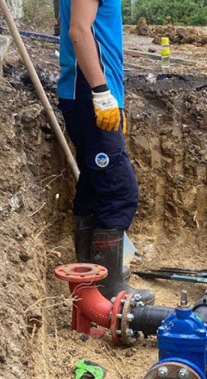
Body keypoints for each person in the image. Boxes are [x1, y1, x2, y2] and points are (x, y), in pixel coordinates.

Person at [57, 0, 154, 304]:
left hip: (91, 95)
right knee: (118, 192)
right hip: (90, 95)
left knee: (93, 191)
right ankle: (110, 287)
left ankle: (87, 287)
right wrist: (101, 93)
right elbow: (79, 31)